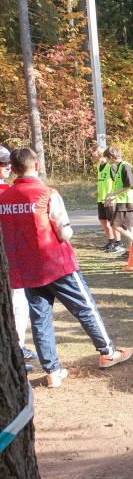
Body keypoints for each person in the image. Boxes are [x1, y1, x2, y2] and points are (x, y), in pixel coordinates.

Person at [0, 148, 132, 387]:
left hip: (26, 267)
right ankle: (107, 351)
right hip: (56, 263)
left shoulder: (4, 198)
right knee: (85, 307)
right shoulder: (47, 193)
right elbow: (65, 231)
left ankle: (53, 370)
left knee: (40, 319)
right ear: (37, 165)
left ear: (14, 169)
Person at [0, 146, 36, 370]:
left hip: (11, 254)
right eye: (2, 164)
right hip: (9, 256)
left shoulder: (8, 189)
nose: (6, 167)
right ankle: (17, 350)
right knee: (18, 302)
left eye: (7, 164)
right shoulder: (6, 191)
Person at [103, 146, 133, 257]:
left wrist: (114, 195)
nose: (106, 161)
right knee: (128, 225)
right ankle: (131, 251)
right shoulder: (119, 166)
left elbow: (128, 185)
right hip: (123, 200)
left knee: (115, 225)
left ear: (111, 157)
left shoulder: (125, 166)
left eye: (107, 158)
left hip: (127, 200)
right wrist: (112, 195)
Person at [88, 145, 120, 252]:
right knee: (103, 220)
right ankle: (111, 241)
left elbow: (118, 183)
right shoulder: (98, 166)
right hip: (101, 199)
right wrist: (96, 193)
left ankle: (118, 243)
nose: (94, 158)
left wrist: (113, 196)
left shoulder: (111, 166)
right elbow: (102, 182)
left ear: (100, 154)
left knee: (113, 222)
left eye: (95, 156)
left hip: (110, 200)